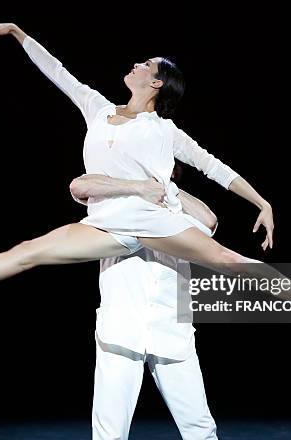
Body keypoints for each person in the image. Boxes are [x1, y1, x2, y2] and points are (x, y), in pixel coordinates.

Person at [0, 22, 291, 332]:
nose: (135, 64)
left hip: (156, 218)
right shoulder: (97, 108)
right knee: (26, 254)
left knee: (232, 262)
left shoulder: (165, 130)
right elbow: (59, 73)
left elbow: (217, 168)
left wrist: (263, 203)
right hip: (106, 222)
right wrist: (19, 34)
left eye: (145, 65)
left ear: (156, 84)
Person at [74, 174, 219, 439]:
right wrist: (136, 184)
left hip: (172, 329)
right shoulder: (114, 200)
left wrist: (167, 188)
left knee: (201, 429)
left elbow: (209, 223)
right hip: (121, 328)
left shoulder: (176, 207)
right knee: (110, 433)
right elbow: (79, 186)